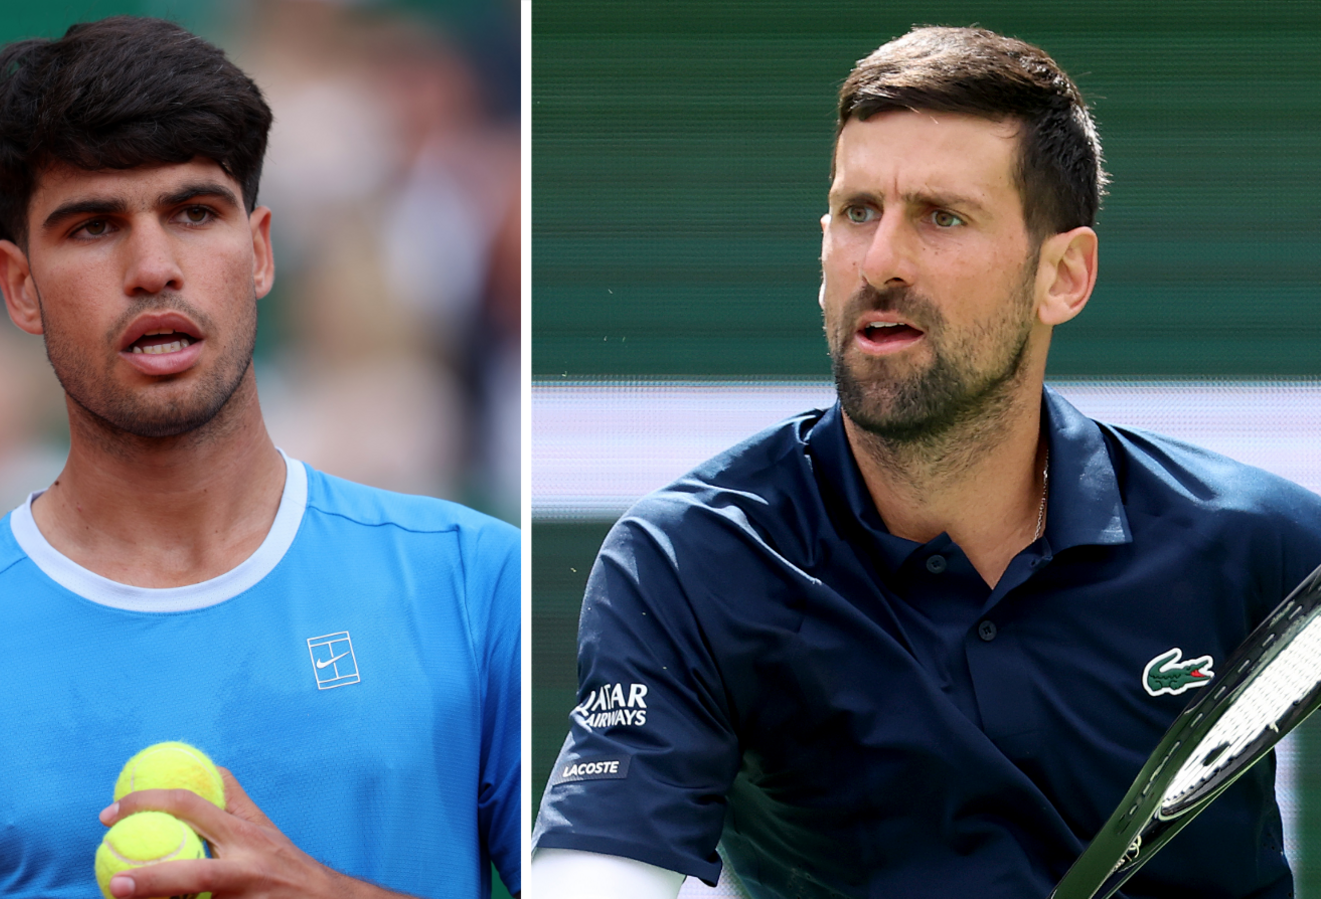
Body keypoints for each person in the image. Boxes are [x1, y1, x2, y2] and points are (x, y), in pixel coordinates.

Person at [531, 26, 1321, 899]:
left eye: (943, 218)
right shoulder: (689, 561)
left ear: (1064, 275)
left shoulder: (1264, 543)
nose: (882, 262)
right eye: (859, 212)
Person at [0, 17, 519, 899]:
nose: (154, 266)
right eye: (94, 227)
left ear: (259, 251)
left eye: (195, 212)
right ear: (19, 287)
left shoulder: (480, 589)